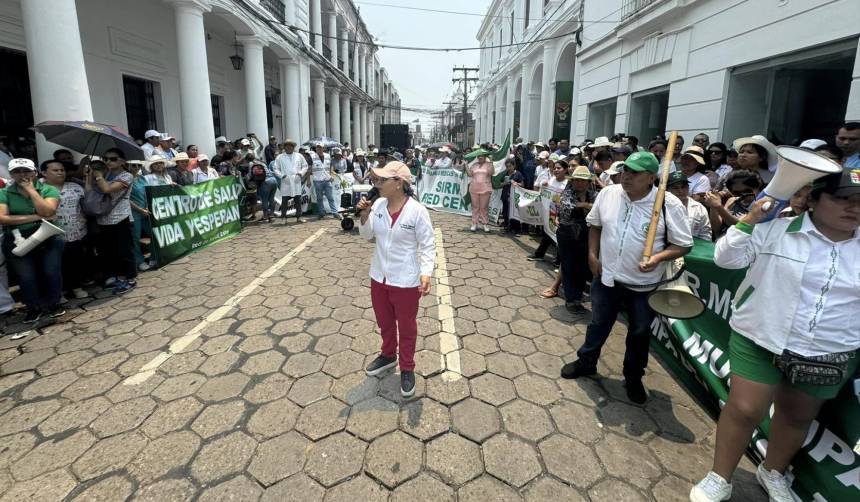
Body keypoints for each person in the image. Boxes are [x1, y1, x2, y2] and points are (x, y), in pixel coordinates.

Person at [690, 170, 860, 502]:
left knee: (797, 416)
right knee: (745, 408)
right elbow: (726, 259)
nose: (853, 208)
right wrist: (749, 221)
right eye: (842, 198)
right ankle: (719, 477)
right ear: (813, 200)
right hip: (761, 337)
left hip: (829, 350)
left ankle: (773, 472)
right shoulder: (776, 230)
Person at [561, 152, 693, 404]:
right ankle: (586, 361)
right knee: (598, 322)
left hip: (644, 285)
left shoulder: (668, 204)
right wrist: (592, 255)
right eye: (626, 170)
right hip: (607, 277)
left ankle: (633, 377)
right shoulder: (608, 194)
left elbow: (684, 245)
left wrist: (657, 258)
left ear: (651, 178)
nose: (627, 176)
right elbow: (596, 225)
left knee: (639, 332)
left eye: (635, 173)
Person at [357, 161, 435, 398]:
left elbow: (428, 245)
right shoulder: (378, 205)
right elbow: (368, 236)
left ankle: (407, 367)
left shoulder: (417, 211)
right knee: (385, 322)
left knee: (407, 326)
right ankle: (388, 354)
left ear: (399, 184)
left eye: (383, 180)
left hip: (406, 281)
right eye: (376, 179)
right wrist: (364, 215)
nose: (377, 183)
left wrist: (426, 272)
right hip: (378, 277)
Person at [0, 158, 63, 321]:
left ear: (35, 173)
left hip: (48, 238)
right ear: (11, 174)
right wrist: (35, 216)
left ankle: (54, 304)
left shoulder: (48, 189)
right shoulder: (4, 193)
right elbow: (3, 218)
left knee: (51, 272)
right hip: (16, 239)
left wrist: (31, 190)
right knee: (26, 277)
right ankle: (33, 308)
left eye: (26, 171)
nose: (22, 175)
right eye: (17, 172)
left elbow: (48, 212)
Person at [87, 148, 137, 294]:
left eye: (113, 159)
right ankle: (112, 277)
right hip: (102, 218)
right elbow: (89, 191)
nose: (108, 161)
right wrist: (88, 176)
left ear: (122, 161)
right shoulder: (105, 174)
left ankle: (130, 278)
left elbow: (108, 189)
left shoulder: (127, 176)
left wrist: (97, 176)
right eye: (106, 158)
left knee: (125, 250)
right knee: (107, 251)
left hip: (122, 218)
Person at [42, 159, 90, 298]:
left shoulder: (75, 187)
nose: (60, 173)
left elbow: (85, 203)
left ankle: (76, 287)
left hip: (76, 232)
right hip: (51, 234)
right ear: (44, 173)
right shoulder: (39, 189)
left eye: (62, 170)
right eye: (55, 170)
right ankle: (60, 292)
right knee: (55, 265)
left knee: (75, 262)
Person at [555, 166, 597, 314]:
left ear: (588, 182)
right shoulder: (567, 193)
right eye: (576, 180)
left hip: (586, 236)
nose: (579, 183)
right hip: (567, 235)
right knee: (568, 266)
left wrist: (584, 205)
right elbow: (567, 207)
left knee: (582, 267)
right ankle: (571, 299)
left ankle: (577, 298)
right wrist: (588, 207)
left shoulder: (594, 194)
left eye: (583, 180)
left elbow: (600, 210)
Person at [527, 161, 569, 265]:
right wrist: (543, 184)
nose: (556, 170)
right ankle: (540, 254)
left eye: (559, 168)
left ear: (565, 170)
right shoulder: (552, 180)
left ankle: (559, 261)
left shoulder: (567, 184)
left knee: (558, 237)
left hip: (561, 215)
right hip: (549, 213)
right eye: (555, 168)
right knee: (547, 233)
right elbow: (543, 188)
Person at [703, 169, 764, 238]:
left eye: (746, 191)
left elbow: (742, 227)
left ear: (757, 187)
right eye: (736, 193)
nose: (742, 195)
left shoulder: (762, 206)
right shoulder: (732, 201)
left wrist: (719, 207)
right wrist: (713, 206)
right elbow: (717, 228)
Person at [666, 172, 712, 240]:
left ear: (688, 187)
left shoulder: (699, 208)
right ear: (668, 190)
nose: (680, 191)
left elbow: (705, 234)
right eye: (675, 188)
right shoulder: (662, 206)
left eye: (683, 187)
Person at [272, 139, 308, 224]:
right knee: (284, 200)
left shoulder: (299, 156)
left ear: (293, 147)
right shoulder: (280, 157)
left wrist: (300, 173)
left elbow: (305, 166)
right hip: (286, 180)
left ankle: (299, 217)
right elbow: (275, 168)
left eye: (291, 146)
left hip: (296, 180)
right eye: (287, 146)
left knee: (298, 200)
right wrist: (282, 175)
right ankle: (283, 218)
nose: (289, 147)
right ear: (284, 147)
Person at [127, 160, 152, 272]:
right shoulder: (126, 179)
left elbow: (148, 192)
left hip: (146, 210)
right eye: (134, 165)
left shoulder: (142, 178)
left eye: (139, 165)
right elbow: (126, 199)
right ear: (128, 166)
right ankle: (139, 261)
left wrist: (146, 207)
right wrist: (140, 209)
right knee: (136, 238)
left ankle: (153, 257)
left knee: (152, 233)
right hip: (134, 212)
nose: (136, 167)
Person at [310, 145, 339, 219]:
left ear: (323, 148)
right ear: (316, 148)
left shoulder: (327, 156)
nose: (319, 149)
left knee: (330, 197)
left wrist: (331, 175)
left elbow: (330, 166)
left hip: (327, 180)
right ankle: (321, 212)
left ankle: (335, 212)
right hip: (317, 180)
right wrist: (308, 180)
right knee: (319, 198)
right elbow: (309, 168)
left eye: (320, 147)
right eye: (318, 147)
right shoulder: (312, 156)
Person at [467, 151, 494, 232]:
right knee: (475, 207)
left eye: (482, 156)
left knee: (484, 207)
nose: (480, 157)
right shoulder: (474, 165)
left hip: (485, 189)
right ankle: (474, 223)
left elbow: (492, 172)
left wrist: (492, 162)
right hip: (474, 188)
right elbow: (470, 174)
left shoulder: (489, 164)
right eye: (479, 156)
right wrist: (465, 165)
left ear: (485, 157)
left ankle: (485, 224)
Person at [500, 158, 524, 233]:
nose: (508, 168)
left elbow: (522, 185)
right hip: (505, 195)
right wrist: (504, 183)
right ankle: (507, 227)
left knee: (514, 213)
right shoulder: (505, 174)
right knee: (505, 212)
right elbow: (500, 184)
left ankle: (516, 229)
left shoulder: (518, 174)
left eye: (510, 166)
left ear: (514, 166)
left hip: (514, 197)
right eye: (507, 166)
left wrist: (516, 183)